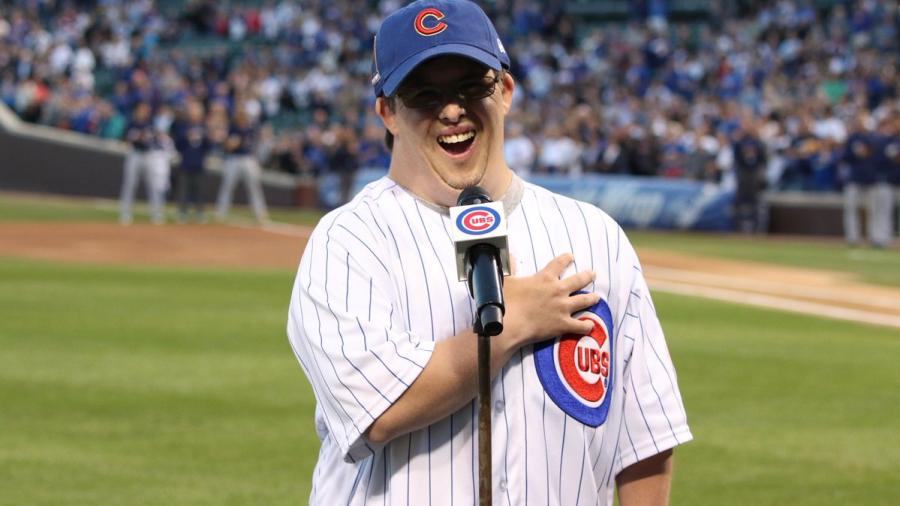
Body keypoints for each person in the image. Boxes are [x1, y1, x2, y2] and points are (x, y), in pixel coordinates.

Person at [286, 1, 692, 505]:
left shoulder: (595, 237)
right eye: (423, 93)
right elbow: (377, 410)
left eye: (470, 87)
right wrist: (511, 324)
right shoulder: (349, 242)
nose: (452, 110)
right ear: (387, 112)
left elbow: (645, 443)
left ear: (505, 90)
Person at [119, 102, 172, 225]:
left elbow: (157, 137)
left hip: (149, 154)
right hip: (135, 154)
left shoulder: (151, 123)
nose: (145, 111)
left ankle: (156, 214)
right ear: (138, 110)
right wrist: (137, 137)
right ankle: (125, 213)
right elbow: (125, 137)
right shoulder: (132, 122)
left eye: (146, 109)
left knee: (153, 186)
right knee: (130, 184)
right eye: (143, 109)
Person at [214, 107, 269, 223]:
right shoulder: (233, 129)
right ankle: (221, 212)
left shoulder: (251, 129)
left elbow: (257, 143)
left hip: (248, 159)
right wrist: (232, 143)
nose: (243, 119)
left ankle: (260, 213)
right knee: (227, 186)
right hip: (234, 159)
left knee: (254, 187)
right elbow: (227, 146)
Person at [172, 99, 211, 223]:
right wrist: (185, 137)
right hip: (185, 163)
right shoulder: (183, 127)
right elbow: (178, 144)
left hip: (199, 163)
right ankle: (182, 212)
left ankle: (200, 212)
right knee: (183, 189)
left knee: (200, 190)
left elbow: (208, 146)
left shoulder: (204, 128)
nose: (194, 114)